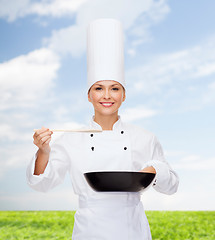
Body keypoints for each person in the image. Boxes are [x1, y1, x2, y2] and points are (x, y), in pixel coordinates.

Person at [26, 18, 179, 240]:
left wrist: (155, 170)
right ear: (89, 95)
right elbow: (41, 184)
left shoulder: (145, 138)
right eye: (99, 88)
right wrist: (43, 151)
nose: (107, 96)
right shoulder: (70, 140)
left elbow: (171, 186)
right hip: (90, 230)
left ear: (124, 95)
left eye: (114, 88)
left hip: (132, 230)